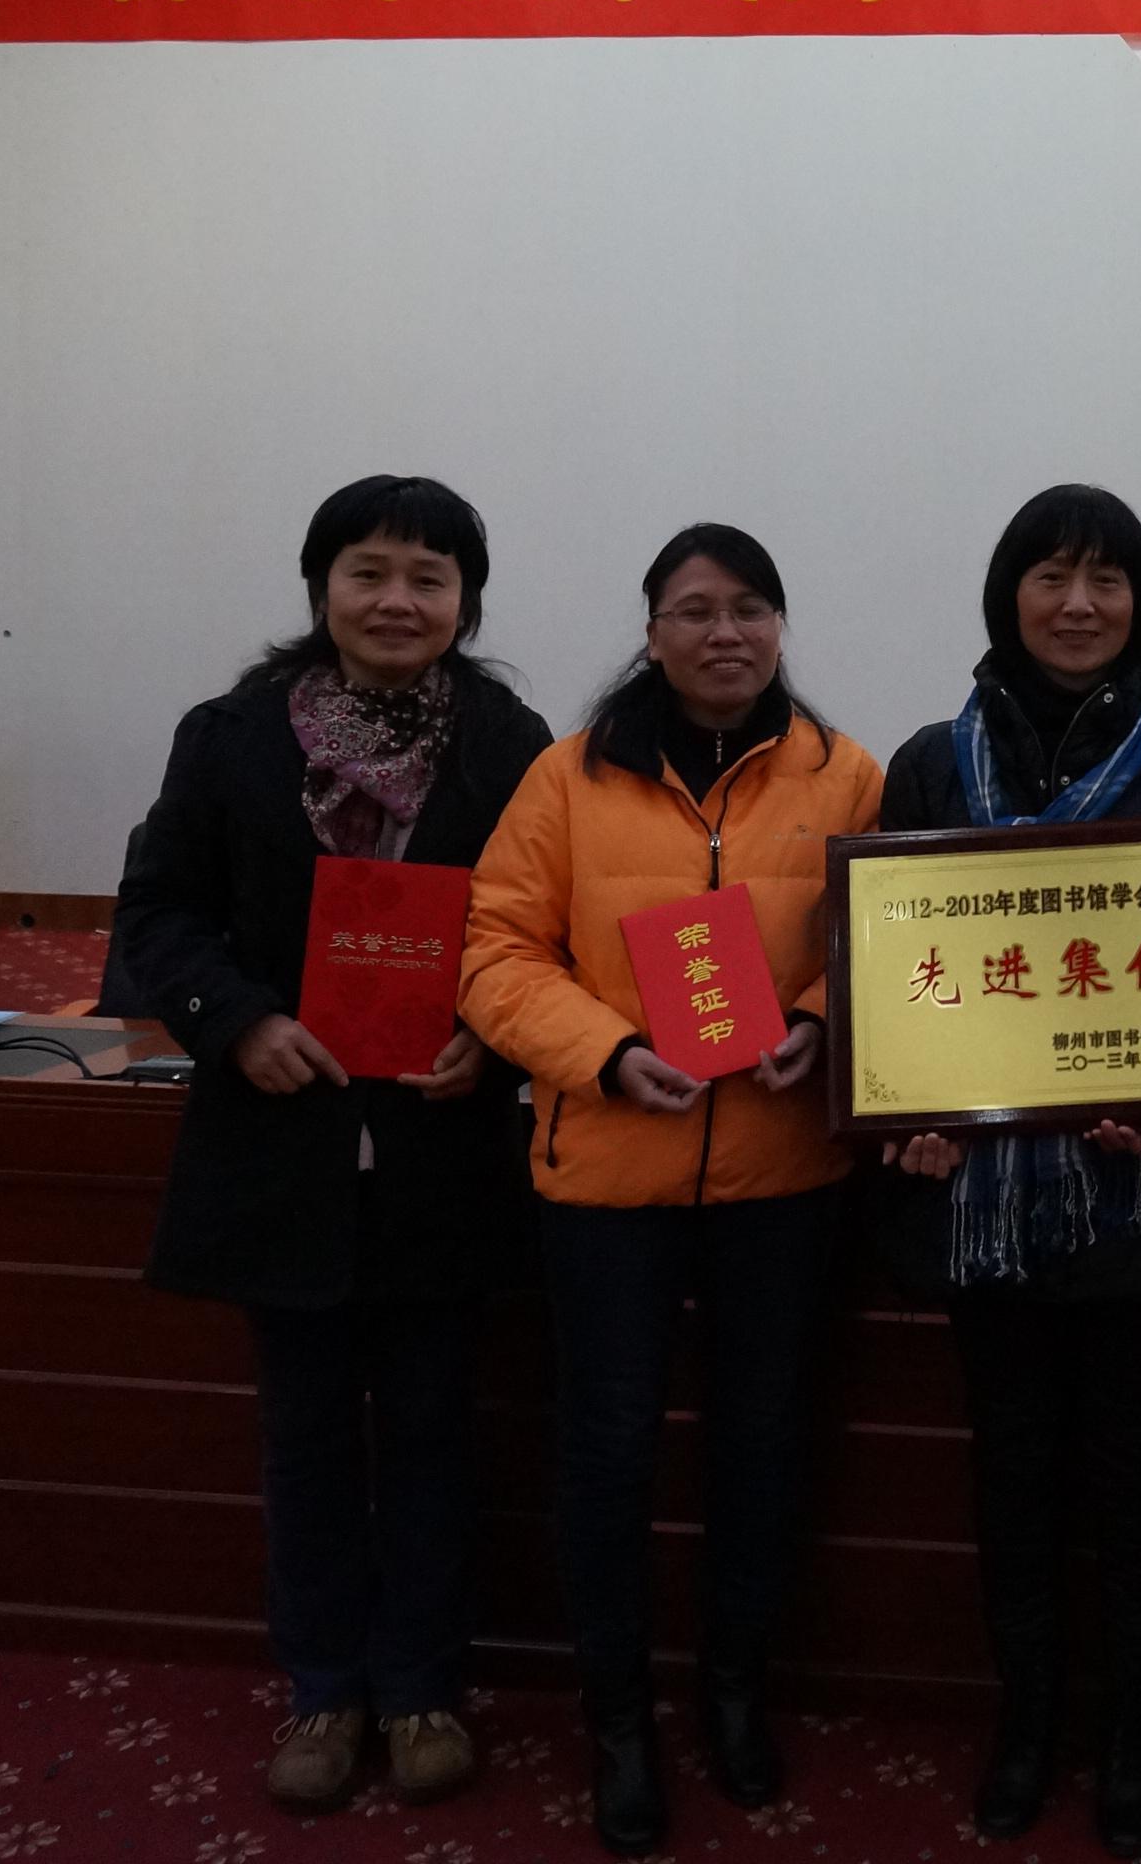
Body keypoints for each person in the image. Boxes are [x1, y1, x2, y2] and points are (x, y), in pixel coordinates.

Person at [125, 474, 554, 1815]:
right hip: (281, 1142)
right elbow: (160, 916)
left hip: (440, 1146)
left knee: (432, 1429)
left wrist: (491, 1034)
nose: (398, 600)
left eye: (430, 578)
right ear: (322, 588)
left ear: (467, 601)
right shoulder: (230, 737)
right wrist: (239, 1020)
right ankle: (322, 1688)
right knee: (306, 1436)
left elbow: (549, 930)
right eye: (369, 572)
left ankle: (421, 1686)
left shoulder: (516, 746)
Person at [457, 525, 884, 1861]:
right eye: (694, 610)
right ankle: (620, 1723)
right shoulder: (567, 778)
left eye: (750, 608)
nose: (724, 633)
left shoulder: (846, 775)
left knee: (762, 1451)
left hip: (782, 1180)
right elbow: (494, 950)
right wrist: (606, 1054)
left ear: (781, 626)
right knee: (608, 1456)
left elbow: (891, 935)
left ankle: (735, 1697)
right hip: (607, 1179)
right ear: (651, 633)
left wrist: (821, 1021)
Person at [867, 484, 1141, 1859]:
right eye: (1052, 576)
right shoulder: (931, 766)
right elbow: (894, 972)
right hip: (982, 1209)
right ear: (1009, 595)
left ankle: (1131, 1733)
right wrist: (910, 1112)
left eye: (1107, 579)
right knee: (1014, 1477)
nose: (1079, 604)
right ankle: (1027, 1722)